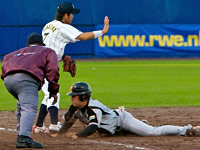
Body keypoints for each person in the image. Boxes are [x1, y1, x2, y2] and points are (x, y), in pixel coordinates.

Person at [33, 1, 109, 133]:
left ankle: (39, 125)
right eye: (72, 14)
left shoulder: (48, 25)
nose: (73, 17)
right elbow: (83, 36)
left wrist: (62, 57)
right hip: (46, 65)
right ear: (65, 15)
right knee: (53, 93)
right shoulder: (63, 27)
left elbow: (51, 45)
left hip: (42, 63)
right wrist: (102, 31)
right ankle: (54, 123)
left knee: (48, 94)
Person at [53, 82, 200, 139]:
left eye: (74, 96)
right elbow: (69, 122)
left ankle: (188, 130)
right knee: (116, 133)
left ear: (83, 97)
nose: (71, 99)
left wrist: (78, 136)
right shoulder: (77, 107)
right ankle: (137, 125)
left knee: (152, 132)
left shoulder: (93, 108)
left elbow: (92, 127)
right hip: (114, 128)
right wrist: (60, 134)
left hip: (121, 119)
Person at [1, 33, 60, 148]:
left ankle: (21, 134)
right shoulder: (47, 51)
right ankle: (23, 138)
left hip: (7, 80)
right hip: (26, 80)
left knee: (22, 104)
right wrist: (53, 90)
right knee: (29, 107)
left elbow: (4, 65)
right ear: (42, 44)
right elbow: (53, 70)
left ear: (28, 44)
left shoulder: (16, 53)